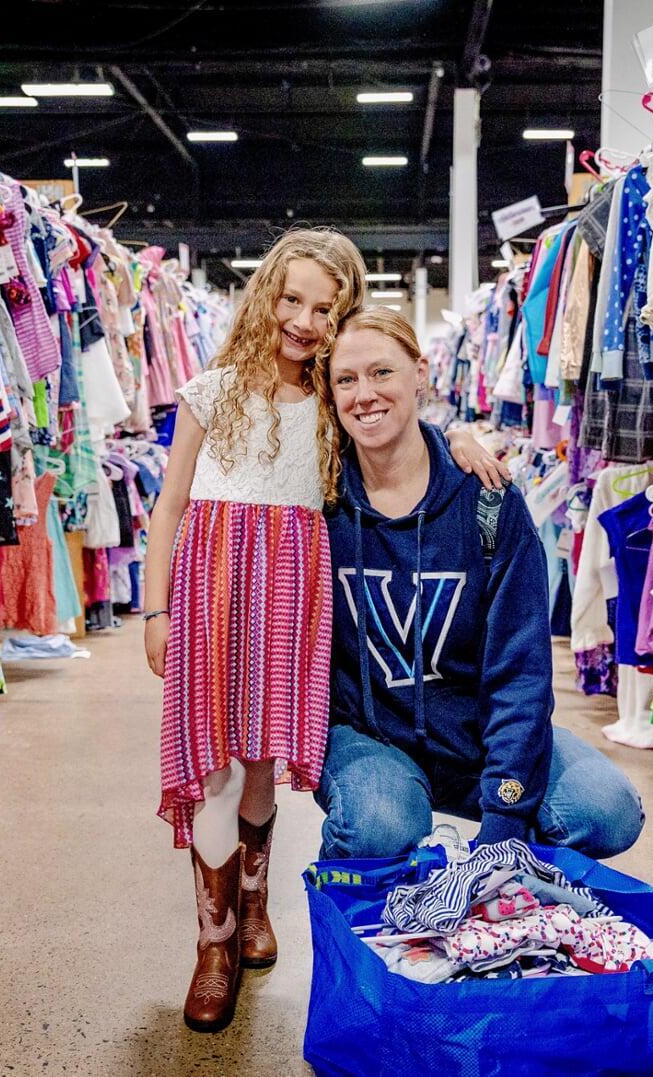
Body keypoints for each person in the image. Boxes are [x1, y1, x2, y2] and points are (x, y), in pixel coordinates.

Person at [142, 231, 506, 1033]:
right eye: (293, 298)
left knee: (264, 763)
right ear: (267, 291)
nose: (304, 320)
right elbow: (168, 505)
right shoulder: (209, 392)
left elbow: (394, 424)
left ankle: (256, 894)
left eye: (324, 307)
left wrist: (459, 436)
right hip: (211, 591)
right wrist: (155, 606)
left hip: (291, 598)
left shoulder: (330, 407)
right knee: (214, 769)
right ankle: (215, 940)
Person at [314, 308, 645, 865]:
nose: (364, 394)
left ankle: (506, 899)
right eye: (345, 380)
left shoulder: (487, 500)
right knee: (379, 825)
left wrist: (505, 817)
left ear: (421, 373)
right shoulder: (318, 503)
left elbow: (521, 667)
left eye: (382, 373)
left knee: (604, 811)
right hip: (369, 736)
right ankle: (374, 901)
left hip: (475, 734)